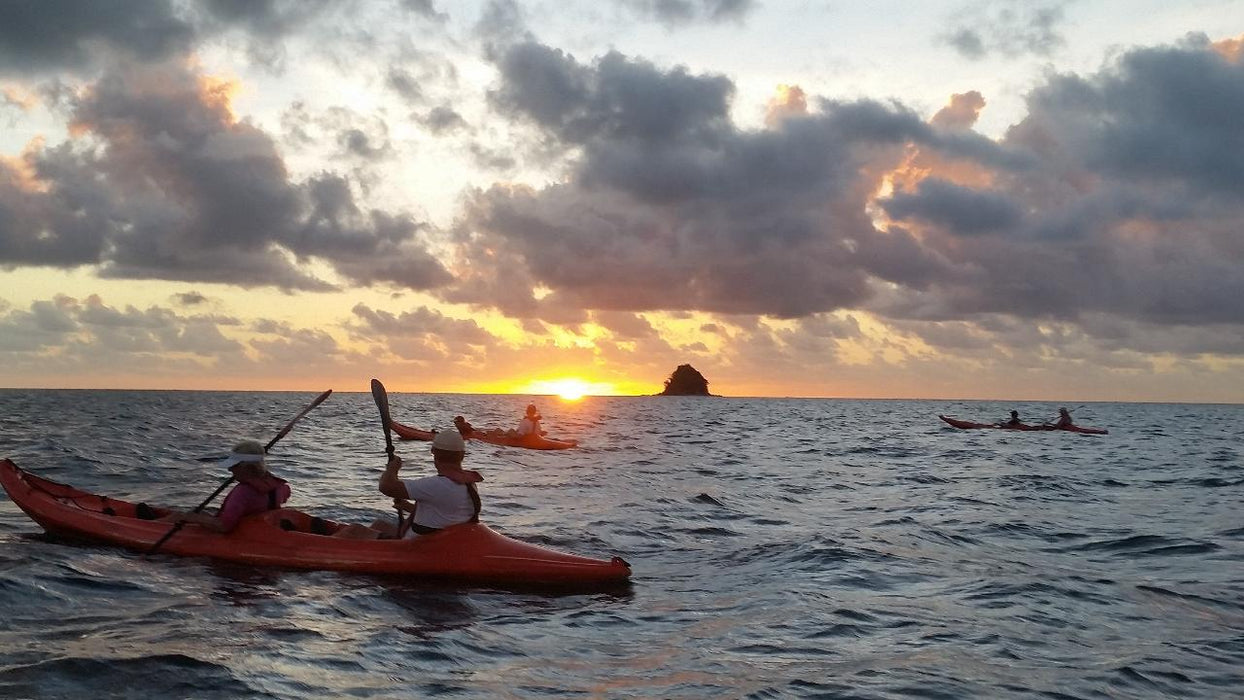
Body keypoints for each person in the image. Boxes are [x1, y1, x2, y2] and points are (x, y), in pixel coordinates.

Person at [360, 430, 483, 538]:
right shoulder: (468, 483)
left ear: (433, 452)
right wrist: (409, 507)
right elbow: (446, 512)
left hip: (417, 545)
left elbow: (386, 487)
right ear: (461, 456)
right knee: (379, 525)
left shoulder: (437, 485)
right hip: (439, 538)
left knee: (354, 530)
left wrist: (392, 468)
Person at [158, 440, 290, 533]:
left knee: (182, 515)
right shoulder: (279, 487)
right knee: (201, 513)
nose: (230, 470)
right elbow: (285, 495)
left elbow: (224, 526)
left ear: (247, 468)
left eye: (234, 466)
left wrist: (188, 517)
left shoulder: (242, 492)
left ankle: (149, 526)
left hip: (242, 534)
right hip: (260, 530)